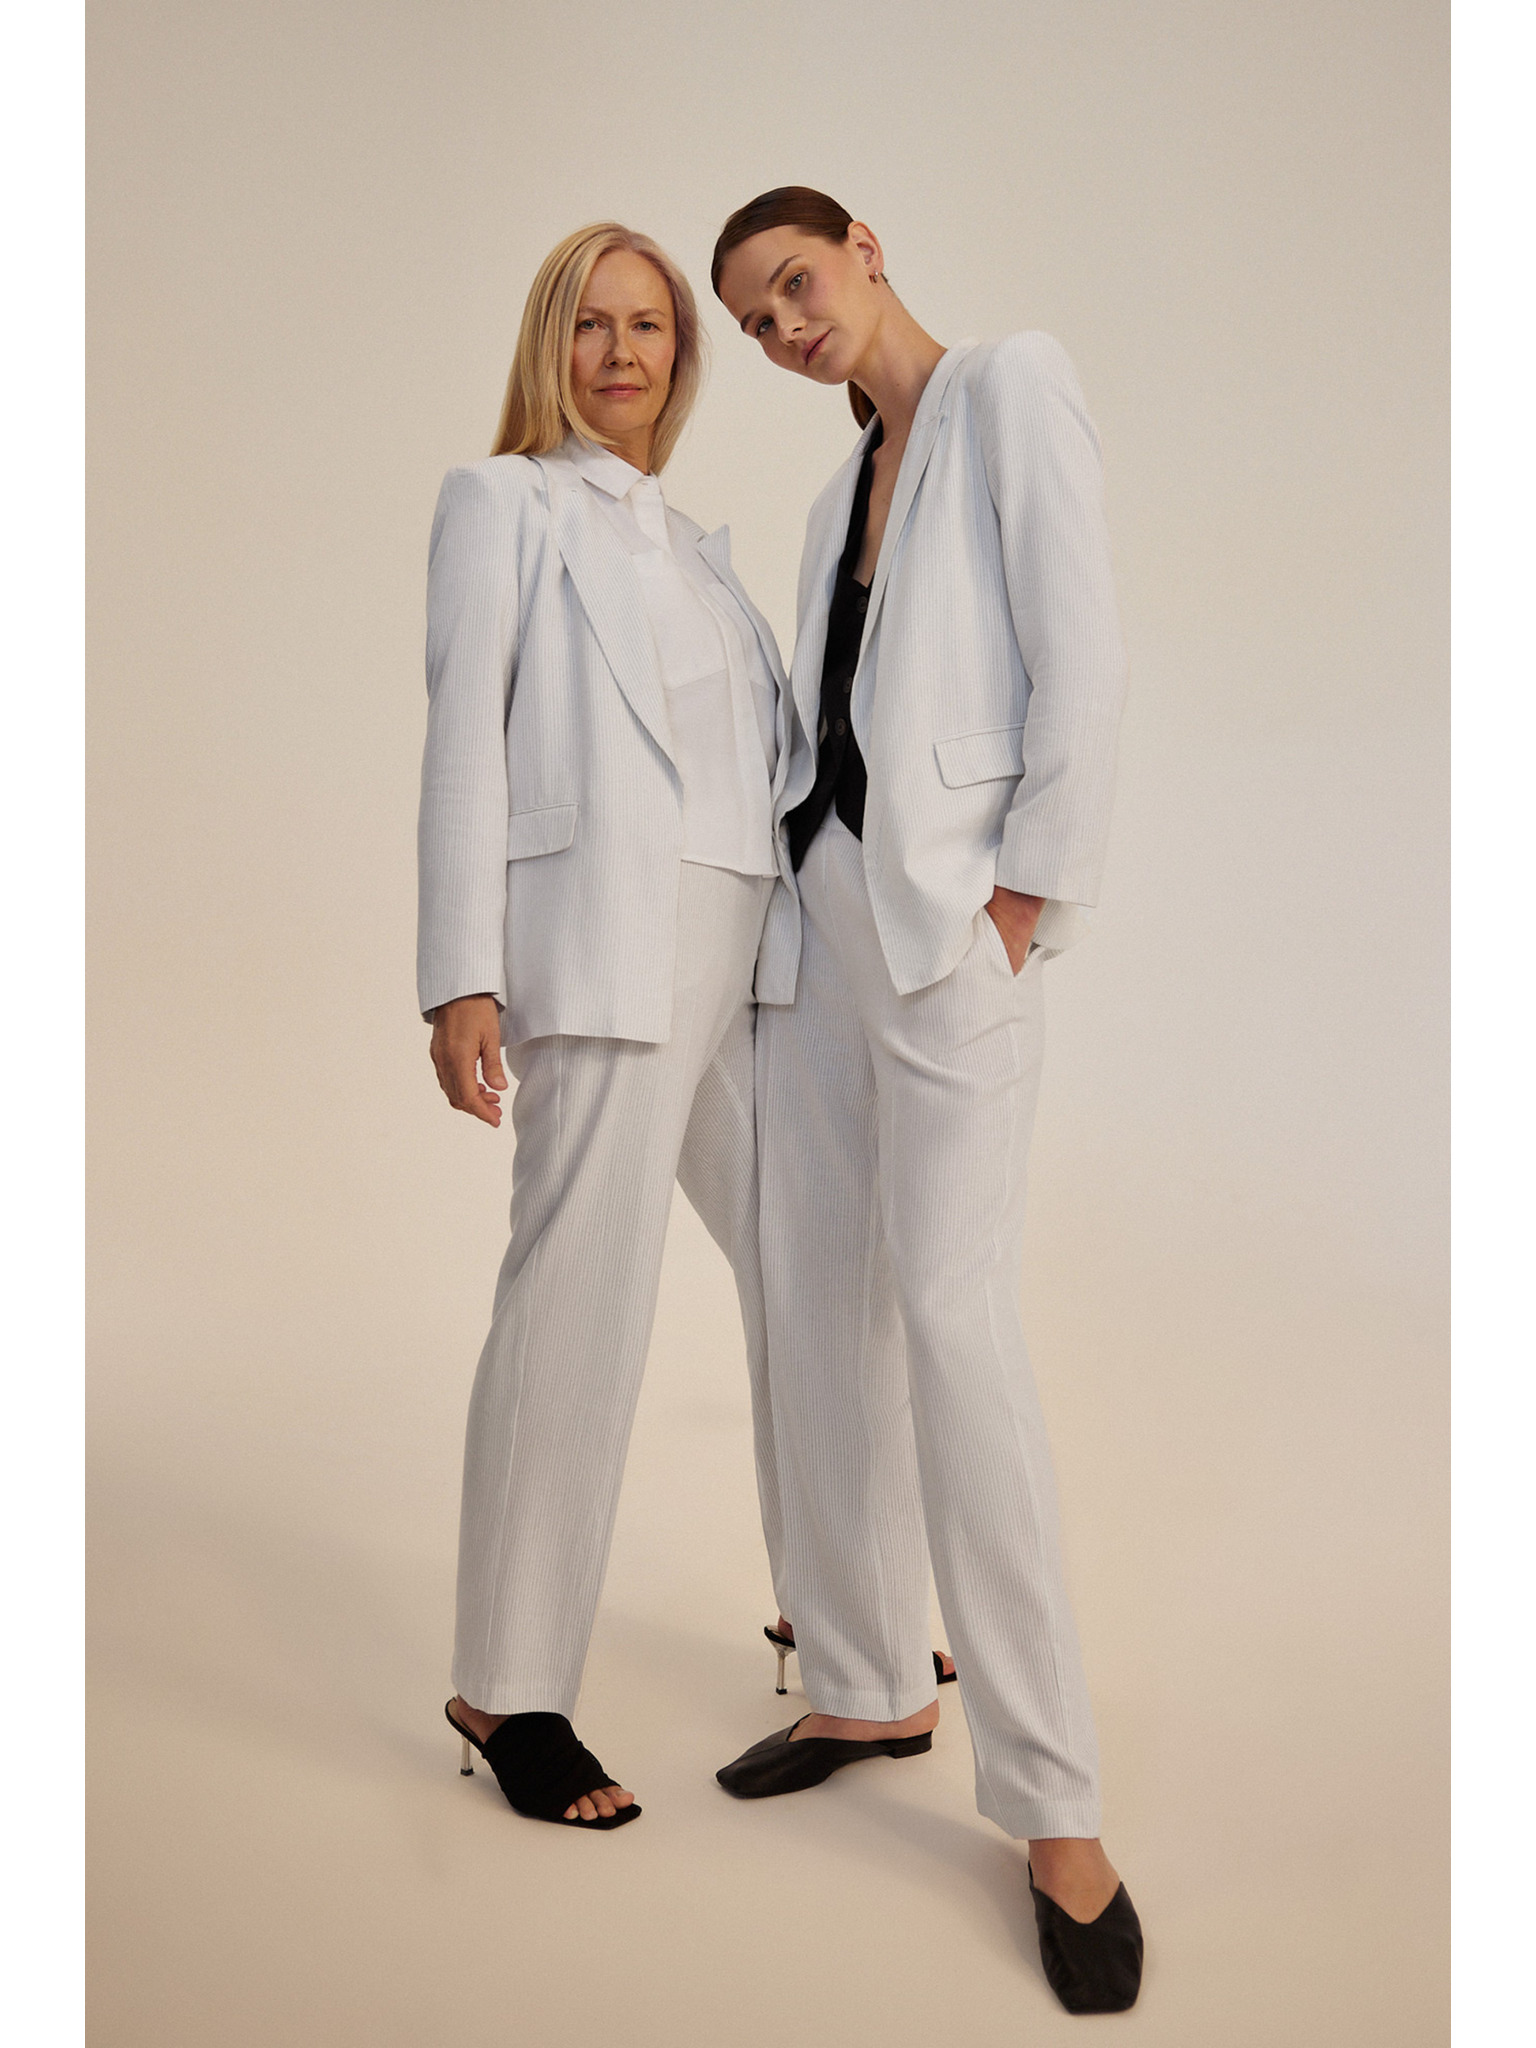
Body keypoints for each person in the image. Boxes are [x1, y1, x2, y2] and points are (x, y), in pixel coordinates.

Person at [711, 188, 1144, 2013]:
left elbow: (1083, 655)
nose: (783, 327)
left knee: (956, 1328)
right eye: (755, 321)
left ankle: (1057, 1805)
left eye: (795, 285)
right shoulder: (836, 495)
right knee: (813, 1304)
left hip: (953, 934)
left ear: (866, 248)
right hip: (820, 931)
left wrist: (1024, 899)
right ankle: (871, 1679)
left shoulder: (1006, 390)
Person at [417, 222, 795, 1829]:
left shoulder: (696, 545)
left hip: (751, 951)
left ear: (681, 358)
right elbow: (464, 735)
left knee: (808, 1260)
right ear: (550, 344)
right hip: (608, 945)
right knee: (580, 1302)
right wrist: (460, 971)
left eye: (650, 327)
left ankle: (843, 1612)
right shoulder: (502, 503)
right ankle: (509, 1687)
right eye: (593, 324)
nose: (623, 352)